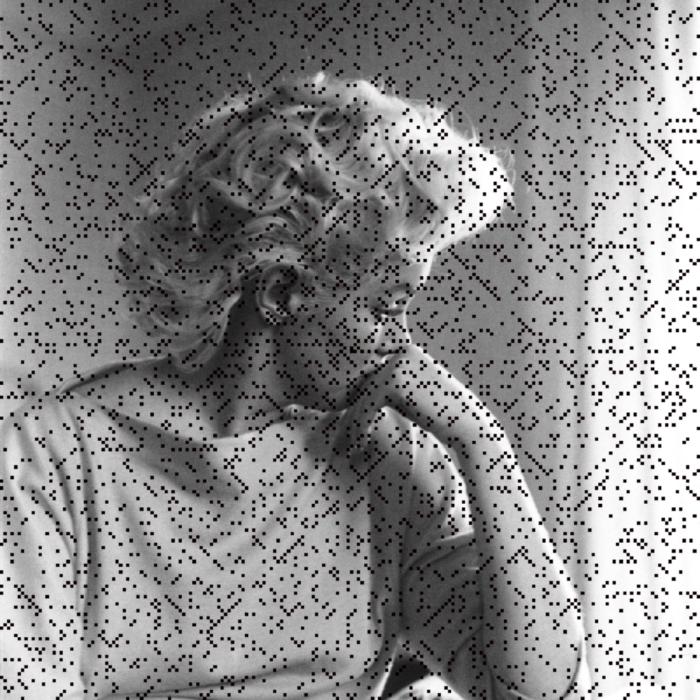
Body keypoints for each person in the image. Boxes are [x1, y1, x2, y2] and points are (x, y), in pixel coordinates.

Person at [1, 74, 590, 700]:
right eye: (387, 306)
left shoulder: (389, 458)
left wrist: (484, 447)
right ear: (282, 294)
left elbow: (540, 691)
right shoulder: (53, 456)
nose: (403, 345)